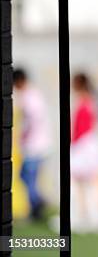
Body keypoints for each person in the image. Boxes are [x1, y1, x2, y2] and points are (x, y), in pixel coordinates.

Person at [12, 68, 51, 220]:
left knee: (28, 176)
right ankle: (37, 205)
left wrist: (24, 135)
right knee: (25, 176)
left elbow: (33, 121)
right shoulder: (33, 94)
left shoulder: (29, 97)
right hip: (38, 143)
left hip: (34, 145)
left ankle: (38, 204)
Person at [70, 72, 98, 233]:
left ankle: (81, 216)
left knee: (79, 183)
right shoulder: (89, 100)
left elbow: (82, 128)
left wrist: (75, 145)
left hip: (83, 146)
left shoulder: (85, 101)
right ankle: (91, 216)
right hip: (87, 145)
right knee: (87, 184)